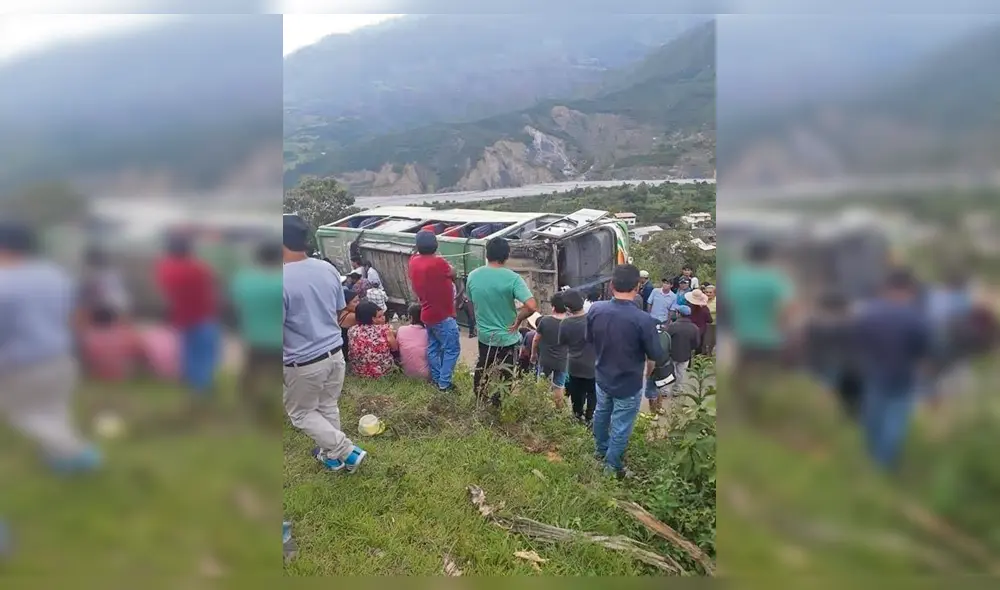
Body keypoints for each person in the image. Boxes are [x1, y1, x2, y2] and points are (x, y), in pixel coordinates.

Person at [0, 220, 101, 473]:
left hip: (20, 365)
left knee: (29, 417)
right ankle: (63, 459)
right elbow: (76, 317)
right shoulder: (54, 273)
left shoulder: (4, 282)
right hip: (60, 358)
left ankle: (80, 460)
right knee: (53, 412)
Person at [282, 214, 366, 473]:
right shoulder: (327, 269)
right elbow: (340, 311)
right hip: (334, 354)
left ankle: (345, 450)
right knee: (327, 405)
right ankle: (333, 458)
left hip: (303, 361)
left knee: (301, 414)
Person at [588, 264, 665, 478]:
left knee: (601, 414)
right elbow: (654, 356)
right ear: (638, 287)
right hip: (628, 383)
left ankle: (600, 451)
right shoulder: (644, 320)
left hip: (602, 376)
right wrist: (648, 372)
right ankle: (612, 467)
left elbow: (590, 340)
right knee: (621, 425)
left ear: (611, 285)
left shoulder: (596, 310)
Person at [853, 268, 930, 470]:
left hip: (875, 371)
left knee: (873, 416)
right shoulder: (917, 318)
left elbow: (859, 342)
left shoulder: (868, 314)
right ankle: (883, 465)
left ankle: (869, 457)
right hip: (904, 374)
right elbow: (923, 351)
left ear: (886, 288)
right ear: (910, 290)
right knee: (894, 420)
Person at [724, 239, 794, 415]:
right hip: (771, 338)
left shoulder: (736, 278)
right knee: (770, 377)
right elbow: (786, 309)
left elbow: (729, 306)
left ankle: (745, 410)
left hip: (743, 336)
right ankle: (768, 412)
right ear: (769, 256)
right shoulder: (775, 278)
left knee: (742, 377)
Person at [466, 237, 538, 406]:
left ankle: (479, 398)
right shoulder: (512, 278)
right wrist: (519, 319)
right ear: (506, 256)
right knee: (505, 372)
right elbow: (532, 306)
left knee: (483, 366)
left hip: (485, 336)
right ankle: (498, 404)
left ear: (487, 254)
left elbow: (470, 300)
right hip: (507, 335)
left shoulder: (473, 276)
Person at [154, 233, 221, 399]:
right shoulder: (199, 268)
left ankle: (192, 387)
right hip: (203, 317)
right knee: (205, 356)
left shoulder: (164, 269)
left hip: (180, 319)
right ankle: (202, 390)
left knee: (188, 353)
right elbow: (214, 285)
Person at [230, 240, 284, 427]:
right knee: (281, 378)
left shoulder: (243, 279)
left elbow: (235, 307)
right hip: (279, 339)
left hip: (253, 338)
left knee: (251, 377)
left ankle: (248, 410)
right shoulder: (281, 282)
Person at [408, 230, 461, 391]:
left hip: (427, 314)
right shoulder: (438, 263)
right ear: (436, 245)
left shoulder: (413, 261)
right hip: (443, 315)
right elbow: (453, 272)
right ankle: (444, 384)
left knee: (433, 347)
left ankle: (437, 378)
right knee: (452, 349)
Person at [561, 289, 596, 424]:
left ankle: (577, 416)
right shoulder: (593, 320)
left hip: (574, 365)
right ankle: (589, 417)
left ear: (567, 307)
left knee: (577, 393)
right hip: (593, 365)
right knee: (592, 393)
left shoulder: (565, 323)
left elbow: (563, 343)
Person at [531, 293, 570, 408]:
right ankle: (558, 411)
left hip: (545, 359)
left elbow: (535, 340)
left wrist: (533, 354)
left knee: (541, 383)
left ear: (553, 307)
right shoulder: (570, 323)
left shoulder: (545, 321)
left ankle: (539, 408)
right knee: (559, 386)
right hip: (562, 361)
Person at [347, 300, 398, 379]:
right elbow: (395, 348)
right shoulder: (385, 329)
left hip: (358, 371)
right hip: (382, 371)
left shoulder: (351, 330)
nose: (383, 318)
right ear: (373, 319)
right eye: (380, 316)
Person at [666, 305, 701, 396]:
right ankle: (677, 390)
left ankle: (665, 391)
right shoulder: (694, 328)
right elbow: (697, 343)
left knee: (668, 372)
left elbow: (666, 339)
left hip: (672, 354)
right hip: (686, 354)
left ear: (678, 314)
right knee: (681, 373)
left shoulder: (673, 326)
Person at [396, 304, 430, 380]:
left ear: (410, 317)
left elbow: (396, 348)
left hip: (406, 373)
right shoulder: (430, 333)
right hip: (427, 375)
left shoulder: (401, 330)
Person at [702, 283, 717, 355]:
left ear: (715, 293)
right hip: (704, 324)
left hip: (714, 325)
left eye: (710, 292)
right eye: (706, 292)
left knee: (713, 342)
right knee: (704, 342)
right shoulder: (702, 300)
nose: (708, 294)